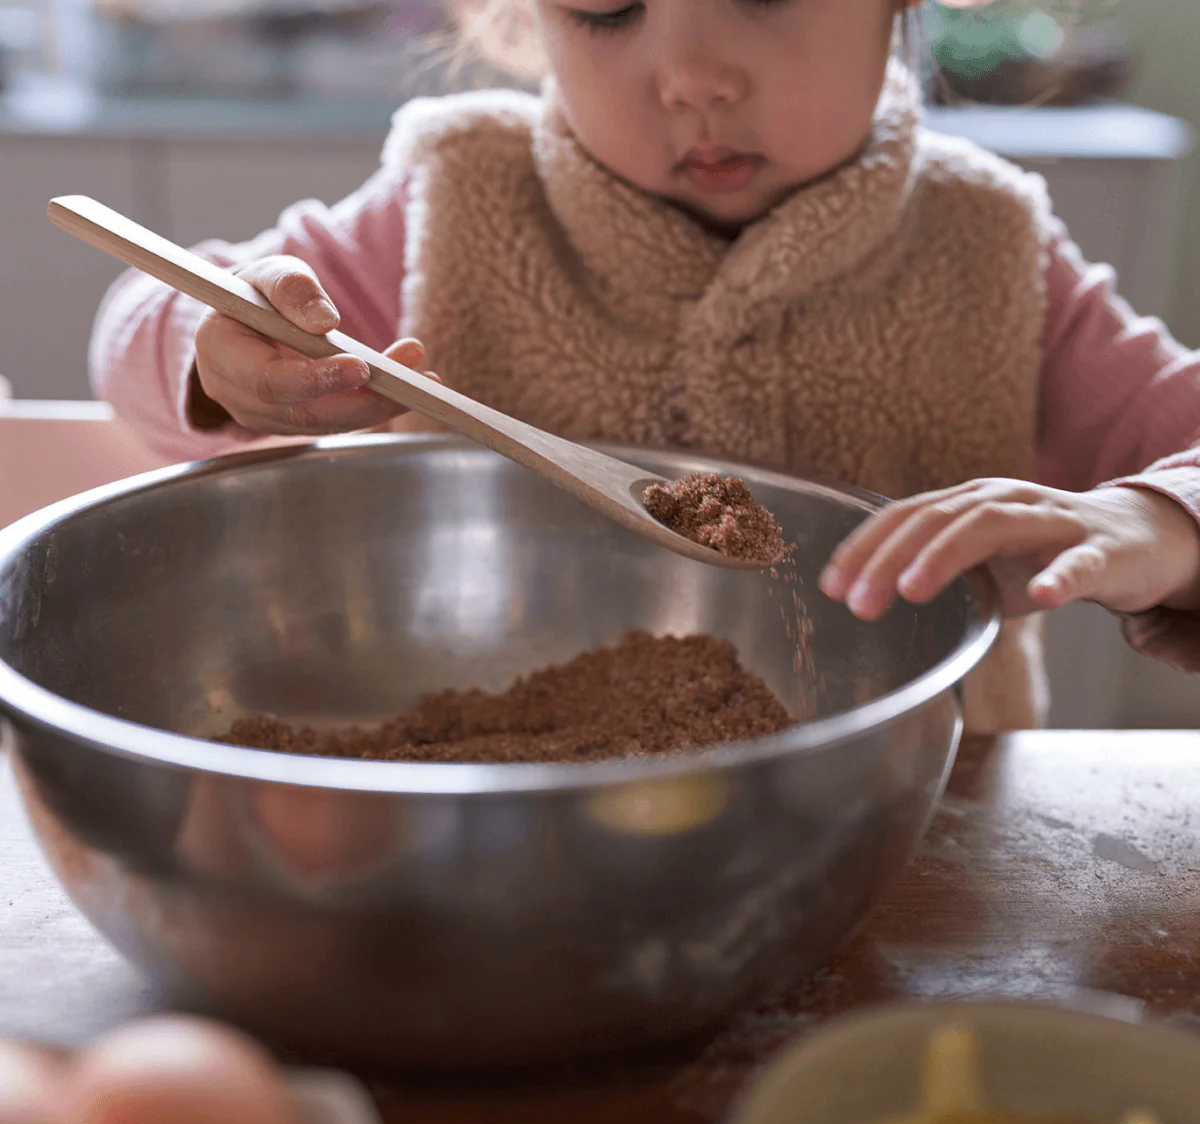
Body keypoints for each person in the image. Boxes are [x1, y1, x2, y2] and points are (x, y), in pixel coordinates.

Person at [89, 0, 1200, 731]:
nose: (693, 77)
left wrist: (1164, 520)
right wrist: (216, 353)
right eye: (609, 7)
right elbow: (143, 319)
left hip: (909, 848)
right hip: (507, 840)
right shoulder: (457, 202)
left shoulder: (989, 248)